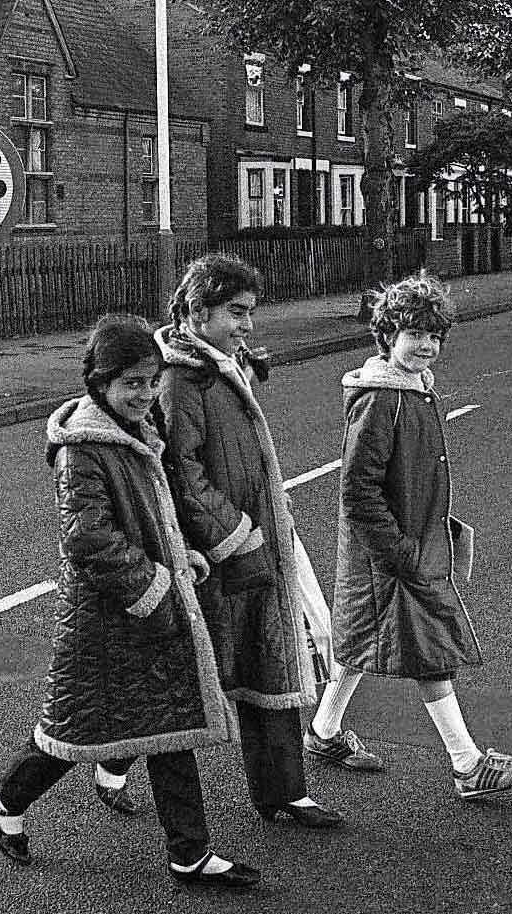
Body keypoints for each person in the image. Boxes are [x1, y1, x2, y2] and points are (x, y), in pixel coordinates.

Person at [0, 315, 262, 889]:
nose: (146, 393)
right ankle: (5, 794)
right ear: (99, 382)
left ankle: (190, 852)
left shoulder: (138, 430)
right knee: (74, 730)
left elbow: (152, 515)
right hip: (106, 618)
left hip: (148, 607)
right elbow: (88, 539)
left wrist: (183, 555)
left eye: (152, 380)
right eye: (132, 383)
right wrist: (157, 585)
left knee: (170, 727)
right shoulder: (83, 448)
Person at [307, 273, 512, 801]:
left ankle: (323, 733)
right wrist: (403, 553)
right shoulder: (381, 400)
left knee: (359, 639)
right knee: (431, 651)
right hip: (393, 555)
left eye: (434, 336)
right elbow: (358, 491)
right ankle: (468, 765)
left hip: (406, 548)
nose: (426, 346)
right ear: (387, 335)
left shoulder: (415, 390)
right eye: (414, 333)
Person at [157, 253, 344, 828]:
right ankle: (90, 767)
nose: (247, 325)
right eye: (236, 313)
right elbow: (182, 473)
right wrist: (236, 536)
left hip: (258, 540)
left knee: (271, 658)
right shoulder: (180, 380)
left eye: (250, 313)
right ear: (198, 310)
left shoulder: (221, 366)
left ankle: (284, 791)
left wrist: (266, 520)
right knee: (187, 679)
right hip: (221, 553)